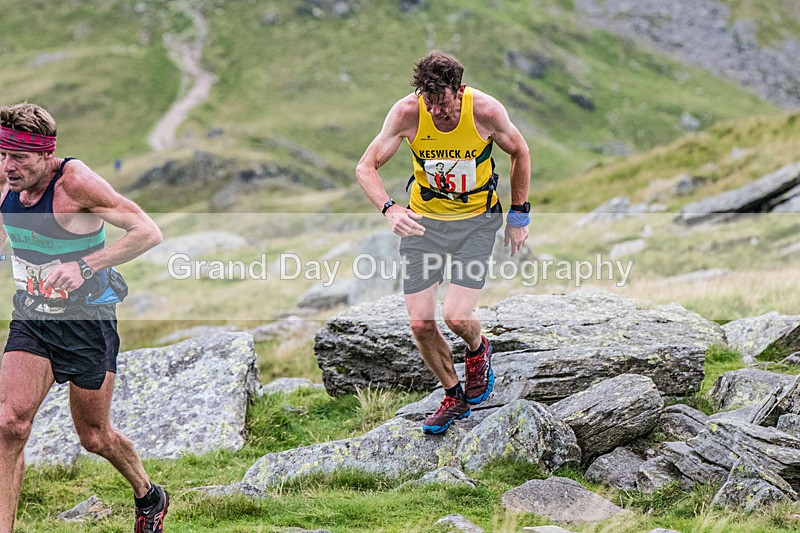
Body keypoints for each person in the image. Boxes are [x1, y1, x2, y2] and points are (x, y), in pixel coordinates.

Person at [0, 103, 168, 533]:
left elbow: (147, 232)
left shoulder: (75, 183)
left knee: (94, 437)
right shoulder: (5, 179)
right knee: (9, 425)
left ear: (46, 154)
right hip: (33, 316)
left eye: (18, 157)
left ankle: (149, 495)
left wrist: (84, 266)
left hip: (86, 321)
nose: (8, 166)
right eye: (2, 154)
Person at [356, 51, 531, 434]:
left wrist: (519, 214)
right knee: (420, 323)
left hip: (476, 223)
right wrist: (390, 209)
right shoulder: (407, 113)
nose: (435, 111)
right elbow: (365, 167)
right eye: (428, 101)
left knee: (456, 316)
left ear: (459, 90)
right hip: (425, 225)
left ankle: (478, 349)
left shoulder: (485, 111)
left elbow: (520, 151)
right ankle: (453, 395)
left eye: (443, 102)